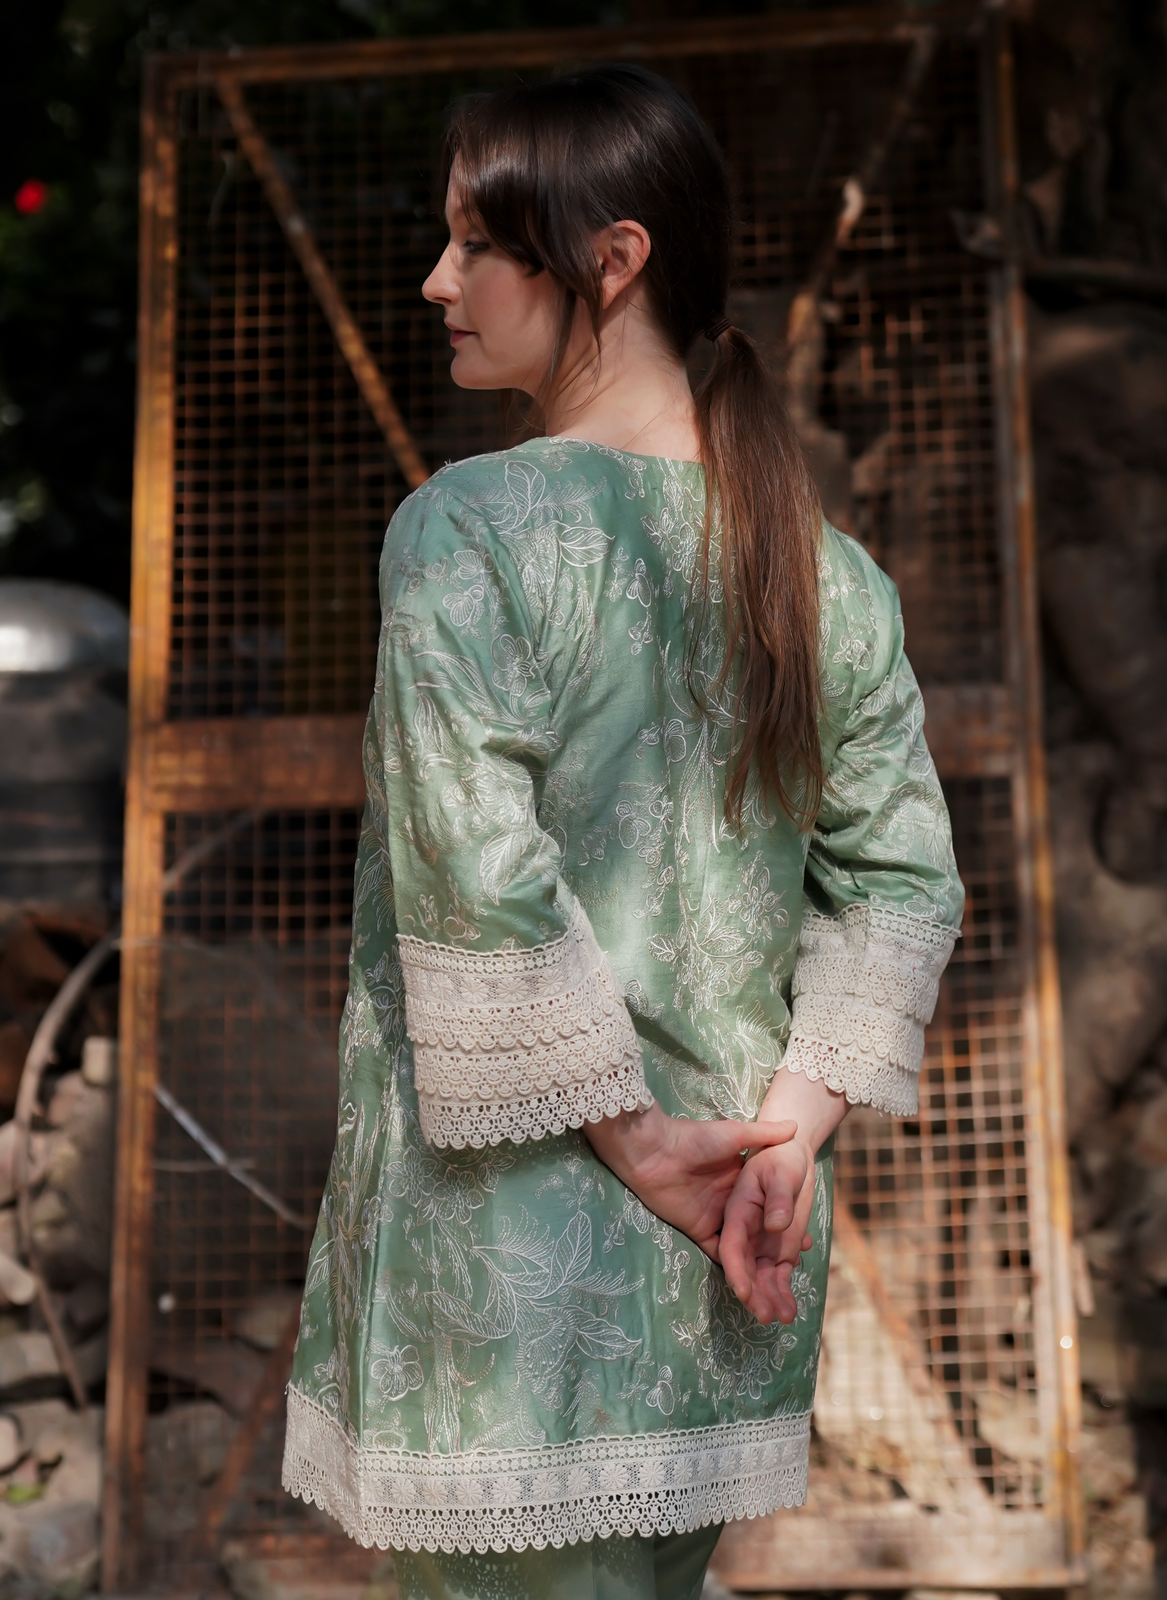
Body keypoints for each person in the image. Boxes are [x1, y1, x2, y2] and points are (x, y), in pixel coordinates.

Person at [282, 64, 963, 1600]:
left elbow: (479, 879)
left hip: (518, 1292)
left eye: (479, 242)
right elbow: (901, 887)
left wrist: (654, 1153)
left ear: (613, 257)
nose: (437, 280)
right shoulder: (827, 572)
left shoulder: (467, 530)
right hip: (730, 1263)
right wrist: (788, 1136)